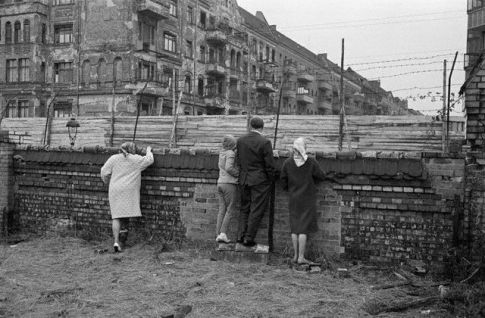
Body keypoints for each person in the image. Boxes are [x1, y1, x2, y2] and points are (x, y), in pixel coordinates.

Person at [100, 142, 154, 252]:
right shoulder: (136, 159)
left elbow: (104, 172)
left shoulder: (113, 158)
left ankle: (116, 242)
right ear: (132, 150)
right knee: (125, 215)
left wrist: (108, 182)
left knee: (116, 216)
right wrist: (148, 150)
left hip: (115, 189)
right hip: (129, 191)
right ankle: (123, 241)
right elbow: (149, 160)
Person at [280, 137, 326, 264]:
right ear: (303, 148)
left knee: (295, 228)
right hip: (307, 198)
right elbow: (321, 176)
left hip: (294, 198)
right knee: (303, 228)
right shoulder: (311, 162)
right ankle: (301, 257)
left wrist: (290, 189)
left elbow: (283, 181)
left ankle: (295, 256)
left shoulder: (287, 163)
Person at [236, 116, 278, 247]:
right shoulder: (265, 142)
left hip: (244, 179)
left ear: (250, 126)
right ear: (262, 127)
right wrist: (271, 179)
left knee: (244, 208)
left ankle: (239, 235)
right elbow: (269, 165)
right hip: (260, 180)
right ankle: (249, 238)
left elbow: (239, 160)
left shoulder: (241, 140)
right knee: (256, 209)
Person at [216, 135, 239, 243]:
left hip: (220, 183)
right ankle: (223, 233)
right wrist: (239, 174)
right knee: (230, 209)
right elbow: (229, 168)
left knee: (222, 209)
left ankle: (218, 234)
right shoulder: (230, 153)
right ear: (232, 144)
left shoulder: (222, 153)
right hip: (229, 184)